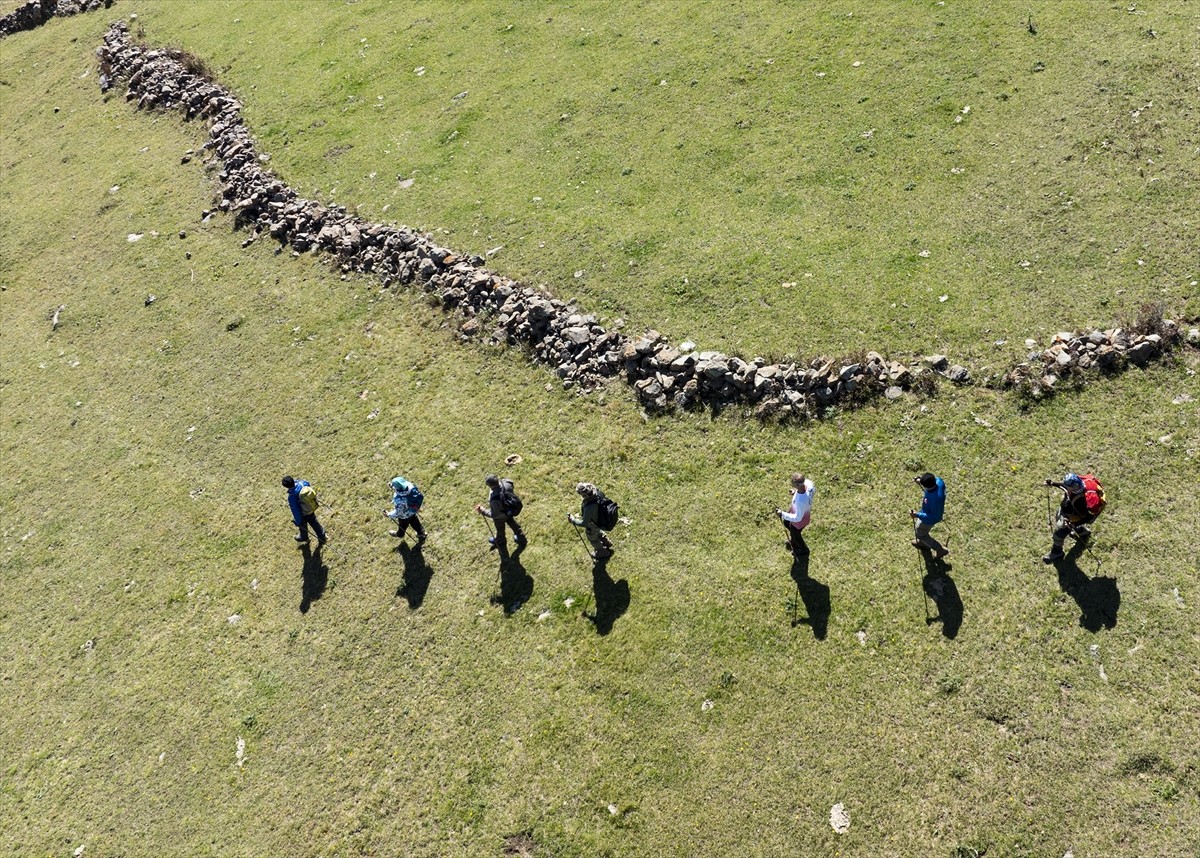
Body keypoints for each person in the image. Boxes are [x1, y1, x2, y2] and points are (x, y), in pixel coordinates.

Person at [1043, 472, 1100, 563]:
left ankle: (1057, 552)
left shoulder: (1083, 501)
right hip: (1067, 514)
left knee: (1058, 535)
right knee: (1059, 518)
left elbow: (1088, 517)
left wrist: (1073, 524)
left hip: (1072, 519)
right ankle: (1082, 531)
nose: (1066, 488)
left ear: (1074, 487)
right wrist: (1053, 483)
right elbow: (1064, 486)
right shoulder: (1077, 486)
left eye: (1068, 487)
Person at [475, 474, 526, 552]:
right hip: (510, 509)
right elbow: (511, 482)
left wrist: (483, 510)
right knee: (512, 522)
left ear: (489, 485)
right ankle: (520, 536)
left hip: (500, 517)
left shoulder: (494, 499)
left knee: (500, 528)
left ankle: (500, 540)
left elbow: (495, 515)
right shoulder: (506, 483)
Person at [568, 482, 613, 560]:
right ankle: (606, 542)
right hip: (600, 520)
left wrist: (573, 520)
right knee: (598, 531)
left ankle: (602, 551)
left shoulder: (589, 508)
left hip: (593, 524)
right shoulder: (598, 494)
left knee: (592, 538)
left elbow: (584, 523)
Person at [910, 472, 948, 559]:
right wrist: (921, 481)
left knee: (921, 533)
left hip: (930, 519)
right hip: (930, 512)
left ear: (927, 487)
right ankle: (924, 542)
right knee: (921, 530)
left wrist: (917, 514)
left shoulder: (934, 500)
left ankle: (940, 549)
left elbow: (932, 516)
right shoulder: (939, 481)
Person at [776, 472, 815, 555]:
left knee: (795, 533)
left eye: (792, 482)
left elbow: (798, 518)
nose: (791, 483)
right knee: (786, 522)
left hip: (800, 521)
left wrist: (782, 514)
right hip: (798, 511)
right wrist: (795, 493)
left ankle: (803, 549)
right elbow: (808, 492)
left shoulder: (801, 501)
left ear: (797, 485)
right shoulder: (808, 484)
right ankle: (794, 540)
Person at [282, 475, 326, 546]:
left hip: (303, 514)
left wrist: (298, 522)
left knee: (303, 526)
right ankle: (321, 534)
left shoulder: (292, 497)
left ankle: (304, 537)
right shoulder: (302, 483)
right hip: (310, 507)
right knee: (314, 522)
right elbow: (307, 483)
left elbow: (295, 511)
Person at [384, 476, 426, 542]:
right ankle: (421, 533)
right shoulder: (410, 487)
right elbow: (400, 488)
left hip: (404, 516)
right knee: (414, 521)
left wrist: (388, 514)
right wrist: (392, 486)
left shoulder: (400, 500)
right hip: (412, 510)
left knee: (402, 526)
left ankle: (400, 534)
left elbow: (399, 512)